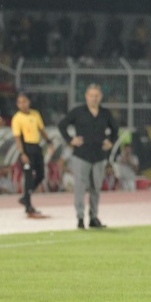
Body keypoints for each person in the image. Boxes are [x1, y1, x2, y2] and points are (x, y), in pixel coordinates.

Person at [58, 83, 119, 229]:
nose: (94, 98)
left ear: (100, 97)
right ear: (86, 96)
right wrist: (70, 139)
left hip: (99, 156)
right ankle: (80, 218)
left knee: (96, 188)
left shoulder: (105, 113)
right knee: (80, 187)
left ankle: (93, 217)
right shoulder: (78, 112)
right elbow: (62, 125)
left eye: (96, 96)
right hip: (81, 155)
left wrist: (110, 141)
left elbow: (115, 129)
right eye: (91, 95)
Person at [11, 91, 52, 217]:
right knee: (28, 177)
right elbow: (17, 138)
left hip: (36, 147)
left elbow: (41, 129)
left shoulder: (35, 114)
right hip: (26, 148)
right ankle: (28, 205)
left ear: (29, 102)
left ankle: (26, 196)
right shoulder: (17, 118)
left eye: (24, 101)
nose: (22, 104)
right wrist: (22, 153)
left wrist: (49, 141)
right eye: (20, 102)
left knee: (41, 175)